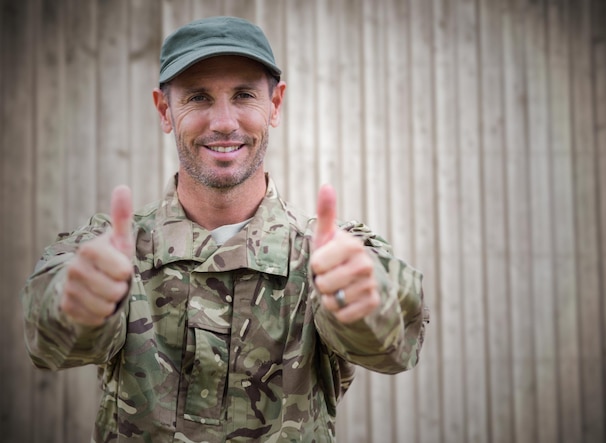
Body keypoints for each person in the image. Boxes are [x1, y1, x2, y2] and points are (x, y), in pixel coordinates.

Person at [21, 16, 428, 442]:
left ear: (275, 105)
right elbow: (47, 339)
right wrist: (77, 306)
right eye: (198, 97)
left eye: (244, 95)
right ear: (165, 110)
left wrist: (367, 303)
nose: (223, 122)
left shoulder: (327, 255)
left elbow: (395, 343)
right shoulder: (111, 252)